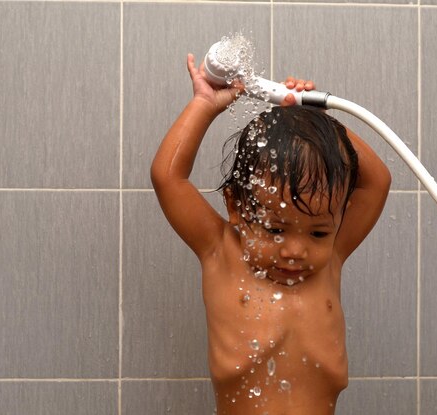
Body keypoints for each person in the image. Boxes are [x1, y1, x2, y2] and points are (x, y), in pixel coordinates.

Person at [150, 53, 391, 415]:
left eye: (319, 234)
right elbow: (169, 177)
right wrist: (205, 103)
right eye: (275, 229)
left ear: (338, 221)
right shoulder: (221, 252)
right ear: (236, 208)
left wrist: (315, 121)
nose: (295, 250)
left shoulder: (331, 260)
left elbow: (377, 182)